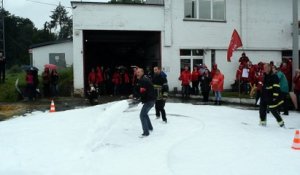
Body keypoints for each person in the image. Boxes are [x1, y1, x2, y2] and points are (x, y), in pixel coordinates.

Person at [130, 68, 155, 137]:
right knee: (145, 114)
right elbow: (141, 90)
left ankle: (146, 132)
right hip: (151, 100)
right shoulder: (143, 79)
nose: (137, 73)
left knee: (142, 115)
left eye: (138, 72)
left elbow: (142, 92)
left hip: (149, 100)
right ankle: (150, 128)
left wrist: (135, 96)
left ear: (142, 72)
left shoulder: (143, 80)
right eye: (136, 72)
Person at [259, 63, 285, 127]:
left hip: (271, 96)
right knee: (262, 110)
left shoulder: (274, 76)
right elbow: (263, 85)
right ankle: (263, 123)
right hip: (264, 95)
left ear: (269, 68)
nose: (264, 69)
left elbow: (276, 87)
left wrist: (275, 96)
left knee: (273, 110)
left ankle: (281, 124)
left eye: (265, 67)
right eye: (264, 67)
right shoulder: (264, 75)